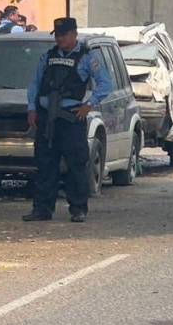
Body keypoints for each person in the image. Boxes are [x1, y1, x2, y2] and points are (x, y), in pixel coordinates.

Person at [23, 17, 113, 223]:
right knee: (45, 164)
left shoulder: (87, 58)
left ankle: (78, 209)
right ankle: (42, 209)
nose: (60, 39)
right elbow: (35, 84)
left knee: (76, 165)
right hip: (47, 118)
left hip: (71, 118)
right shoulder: (48, 56)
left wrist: (89, 105)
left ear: (74, 34)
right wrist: (31, 109)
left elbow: (105, 84)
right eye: (57, 35)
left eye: (63, 35)